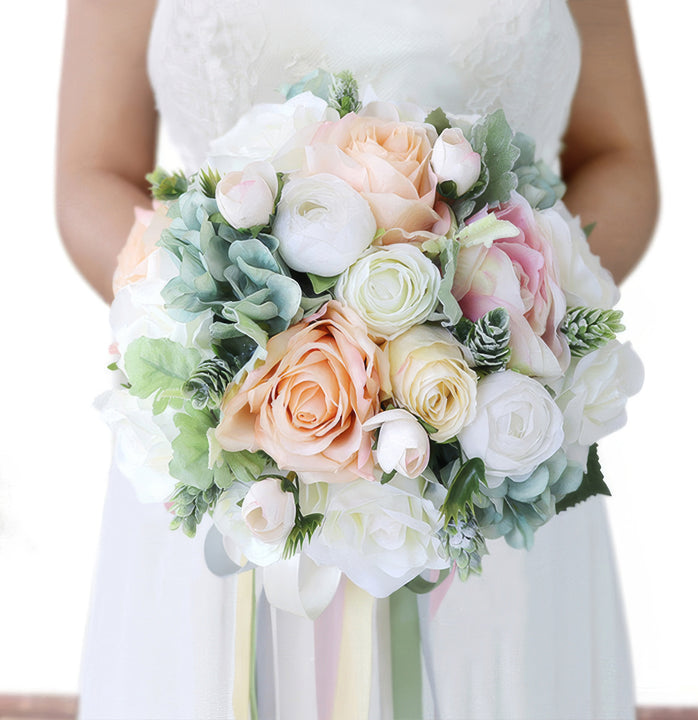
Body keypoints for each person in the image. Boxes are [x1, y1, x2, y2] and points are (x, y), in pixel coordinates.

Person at [56, 1, 658, 718]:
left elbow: (618, 159)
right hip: (228, 462)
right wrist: (214, 325)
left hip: (495, 452)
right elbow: (91, 173)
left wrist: (517, 313)